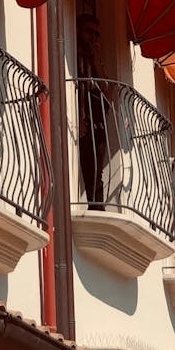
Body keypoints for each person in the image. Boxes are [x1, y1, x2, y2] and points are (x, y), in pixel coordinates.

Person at [76, 13, 109, 210]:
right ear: (78, 31)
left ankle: (97, 208)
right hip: (82, 124)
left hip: (96, 125)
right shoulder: (73, 58)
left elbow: (107, 90)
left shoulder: (95, 63)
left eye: (97, 35)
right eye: (90, 32)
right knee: (85, 167)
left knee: (96, 171)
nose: (93, 38)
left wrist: (96, 59)